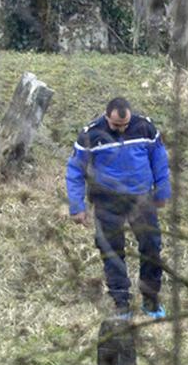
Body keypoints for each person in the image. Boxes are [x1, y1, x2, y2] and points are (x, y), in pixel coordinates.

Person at [65, 98, 172, 319]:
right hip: (107, 201)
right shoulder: (90, 135)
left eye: (125, 125)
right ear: (107, 118)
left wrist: (162, 192)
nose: (121, 129)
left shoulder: (145, 128)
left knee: (152, 247)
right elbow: (75, 170)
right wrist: (77, 206)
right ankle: (121, 302)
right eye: (116, 126)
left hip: (141, 198)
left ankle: (150, 301)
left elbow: (159, 160)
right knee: (112, 251)